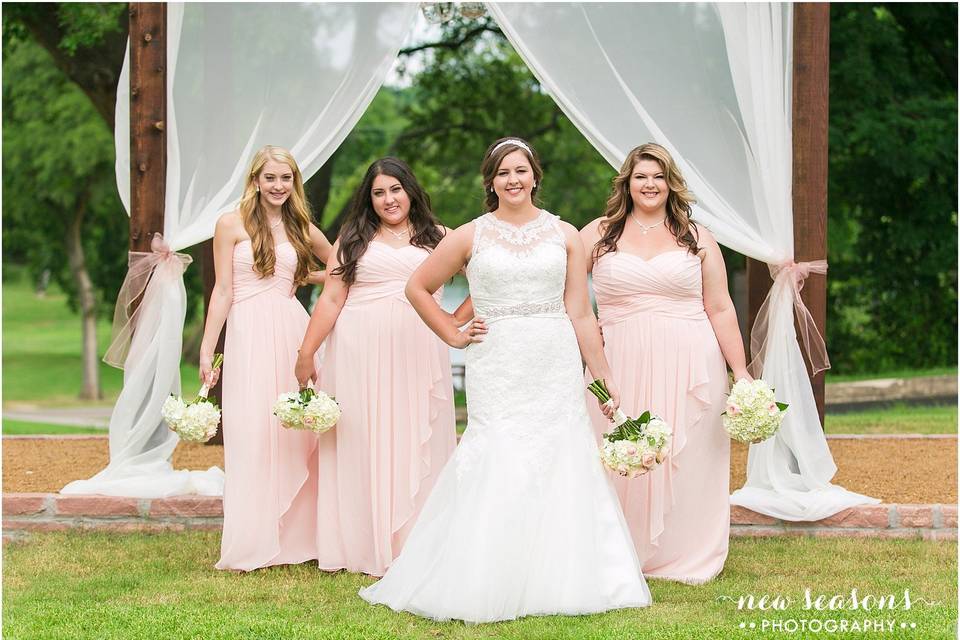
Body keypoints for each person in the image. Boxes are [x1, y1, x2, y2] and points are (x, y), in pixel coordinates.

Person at [359, 138, 651, 623]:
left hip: (553, 358)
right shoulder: (472, 235)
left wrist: (604, 378)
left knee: (561, 453)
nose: (512, 180)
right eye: (502, 173)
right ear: (491, 182)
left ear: (536, 175)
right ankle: (483, 574)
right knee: (498, 452)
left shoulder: (564, 235)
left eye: (521, 170)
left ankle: (562, 576)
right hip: (497, 360)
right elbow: (417, 287)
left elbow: (580, 312)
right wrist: (452, 334)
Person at [580, 142, 750, 584]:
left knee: (688, 454)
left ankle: (686, 552)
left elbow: (721, 308)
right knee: (616, 448)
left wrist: (743, 373)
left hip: (691, 358)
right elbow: (564, 294)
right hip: (616, 360)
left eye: (657, 176)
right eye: (641, 176)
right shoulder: (599, 233)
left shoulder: (696, 235)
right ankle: (618, 549)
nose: (649, 184)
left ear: (670, 182)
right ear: (627, 183)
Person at [295, 158, 470, 576]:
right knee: (363, 440)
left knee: (416, 436)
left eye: (395, 189)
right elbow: (332, 299)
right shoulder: (352, 239)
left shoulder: (442, 237)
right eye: (379, 192)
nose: (388, 199)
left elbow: (488, 282)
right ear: (369, 199)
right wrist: (306, 353)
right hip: (358, 352)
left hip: (418, 351)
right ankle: (361, 541)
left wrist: (452, 322)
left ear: (410, 190)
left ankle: (417, 541)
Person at [199, 145, 331, 571]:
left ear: (295, 182)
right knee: (250, 430)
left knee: (295, 432)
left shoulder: (302, 227)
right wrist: (208, 347)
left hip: (290, 328)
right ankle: (253, 539)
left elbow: (340, 268)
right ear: (255, 180)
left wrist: (301, 275)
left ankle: (298, 539)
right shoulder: (229, 224)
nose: (278, 186)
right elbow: (223, 291)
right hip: (247, 333)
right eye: (270, 178)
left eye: (286, 178)